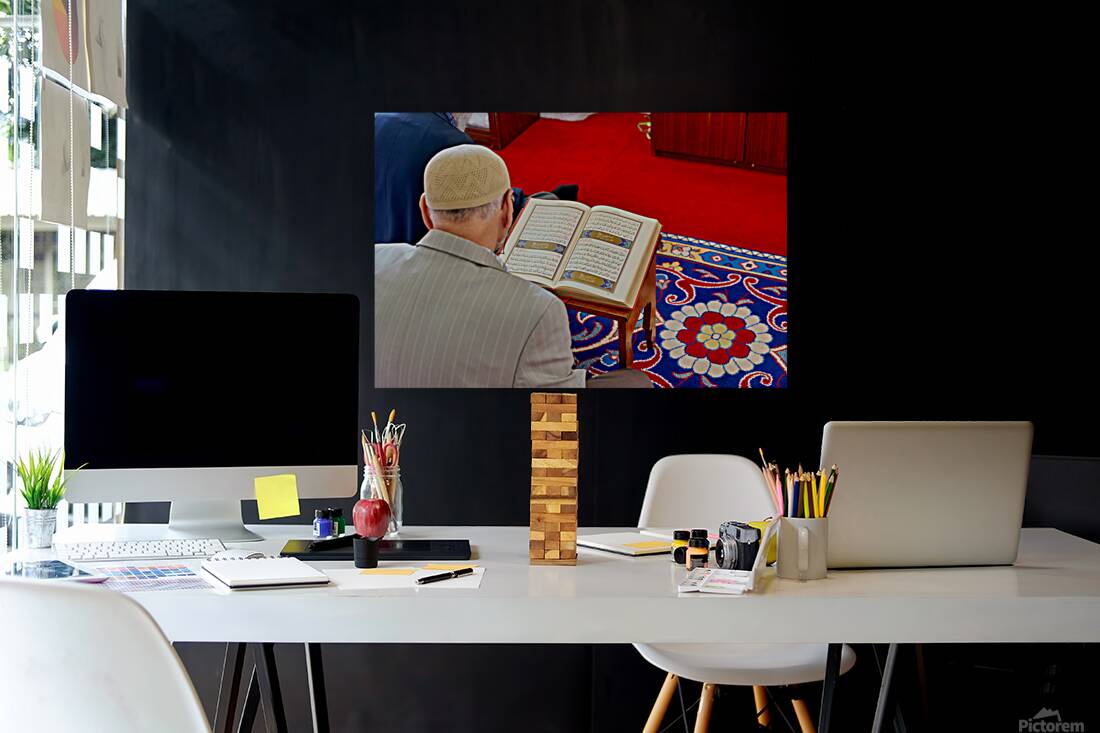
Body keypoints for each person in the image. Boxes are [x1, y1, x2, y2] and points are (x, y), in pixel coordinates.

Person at [374, 144, 586, 388]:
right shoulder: (540, 309)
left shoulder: (373, 259)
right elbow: (554, 424)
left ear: (425, 211)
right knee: (630, 380)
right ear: (508, 209)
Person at [374, 113, 579, 245]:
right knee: (529, 203)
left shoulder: (378, 118)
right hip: (425, 244)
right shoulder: (449, 144)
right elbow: (472, 215)